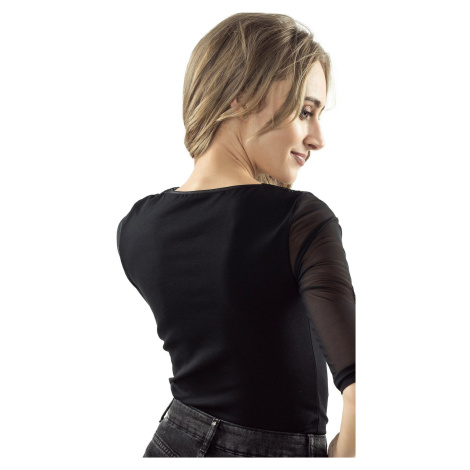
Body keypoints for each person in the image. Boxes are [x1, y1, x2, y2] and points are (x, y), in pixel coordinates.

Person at [117, 12, 355, 458]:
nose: (318, 138)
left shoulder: (136, 226)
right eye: (305, 112)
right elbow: (361, 386)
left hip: (172, 443)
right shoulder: (299, 219)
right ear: (239, 97)